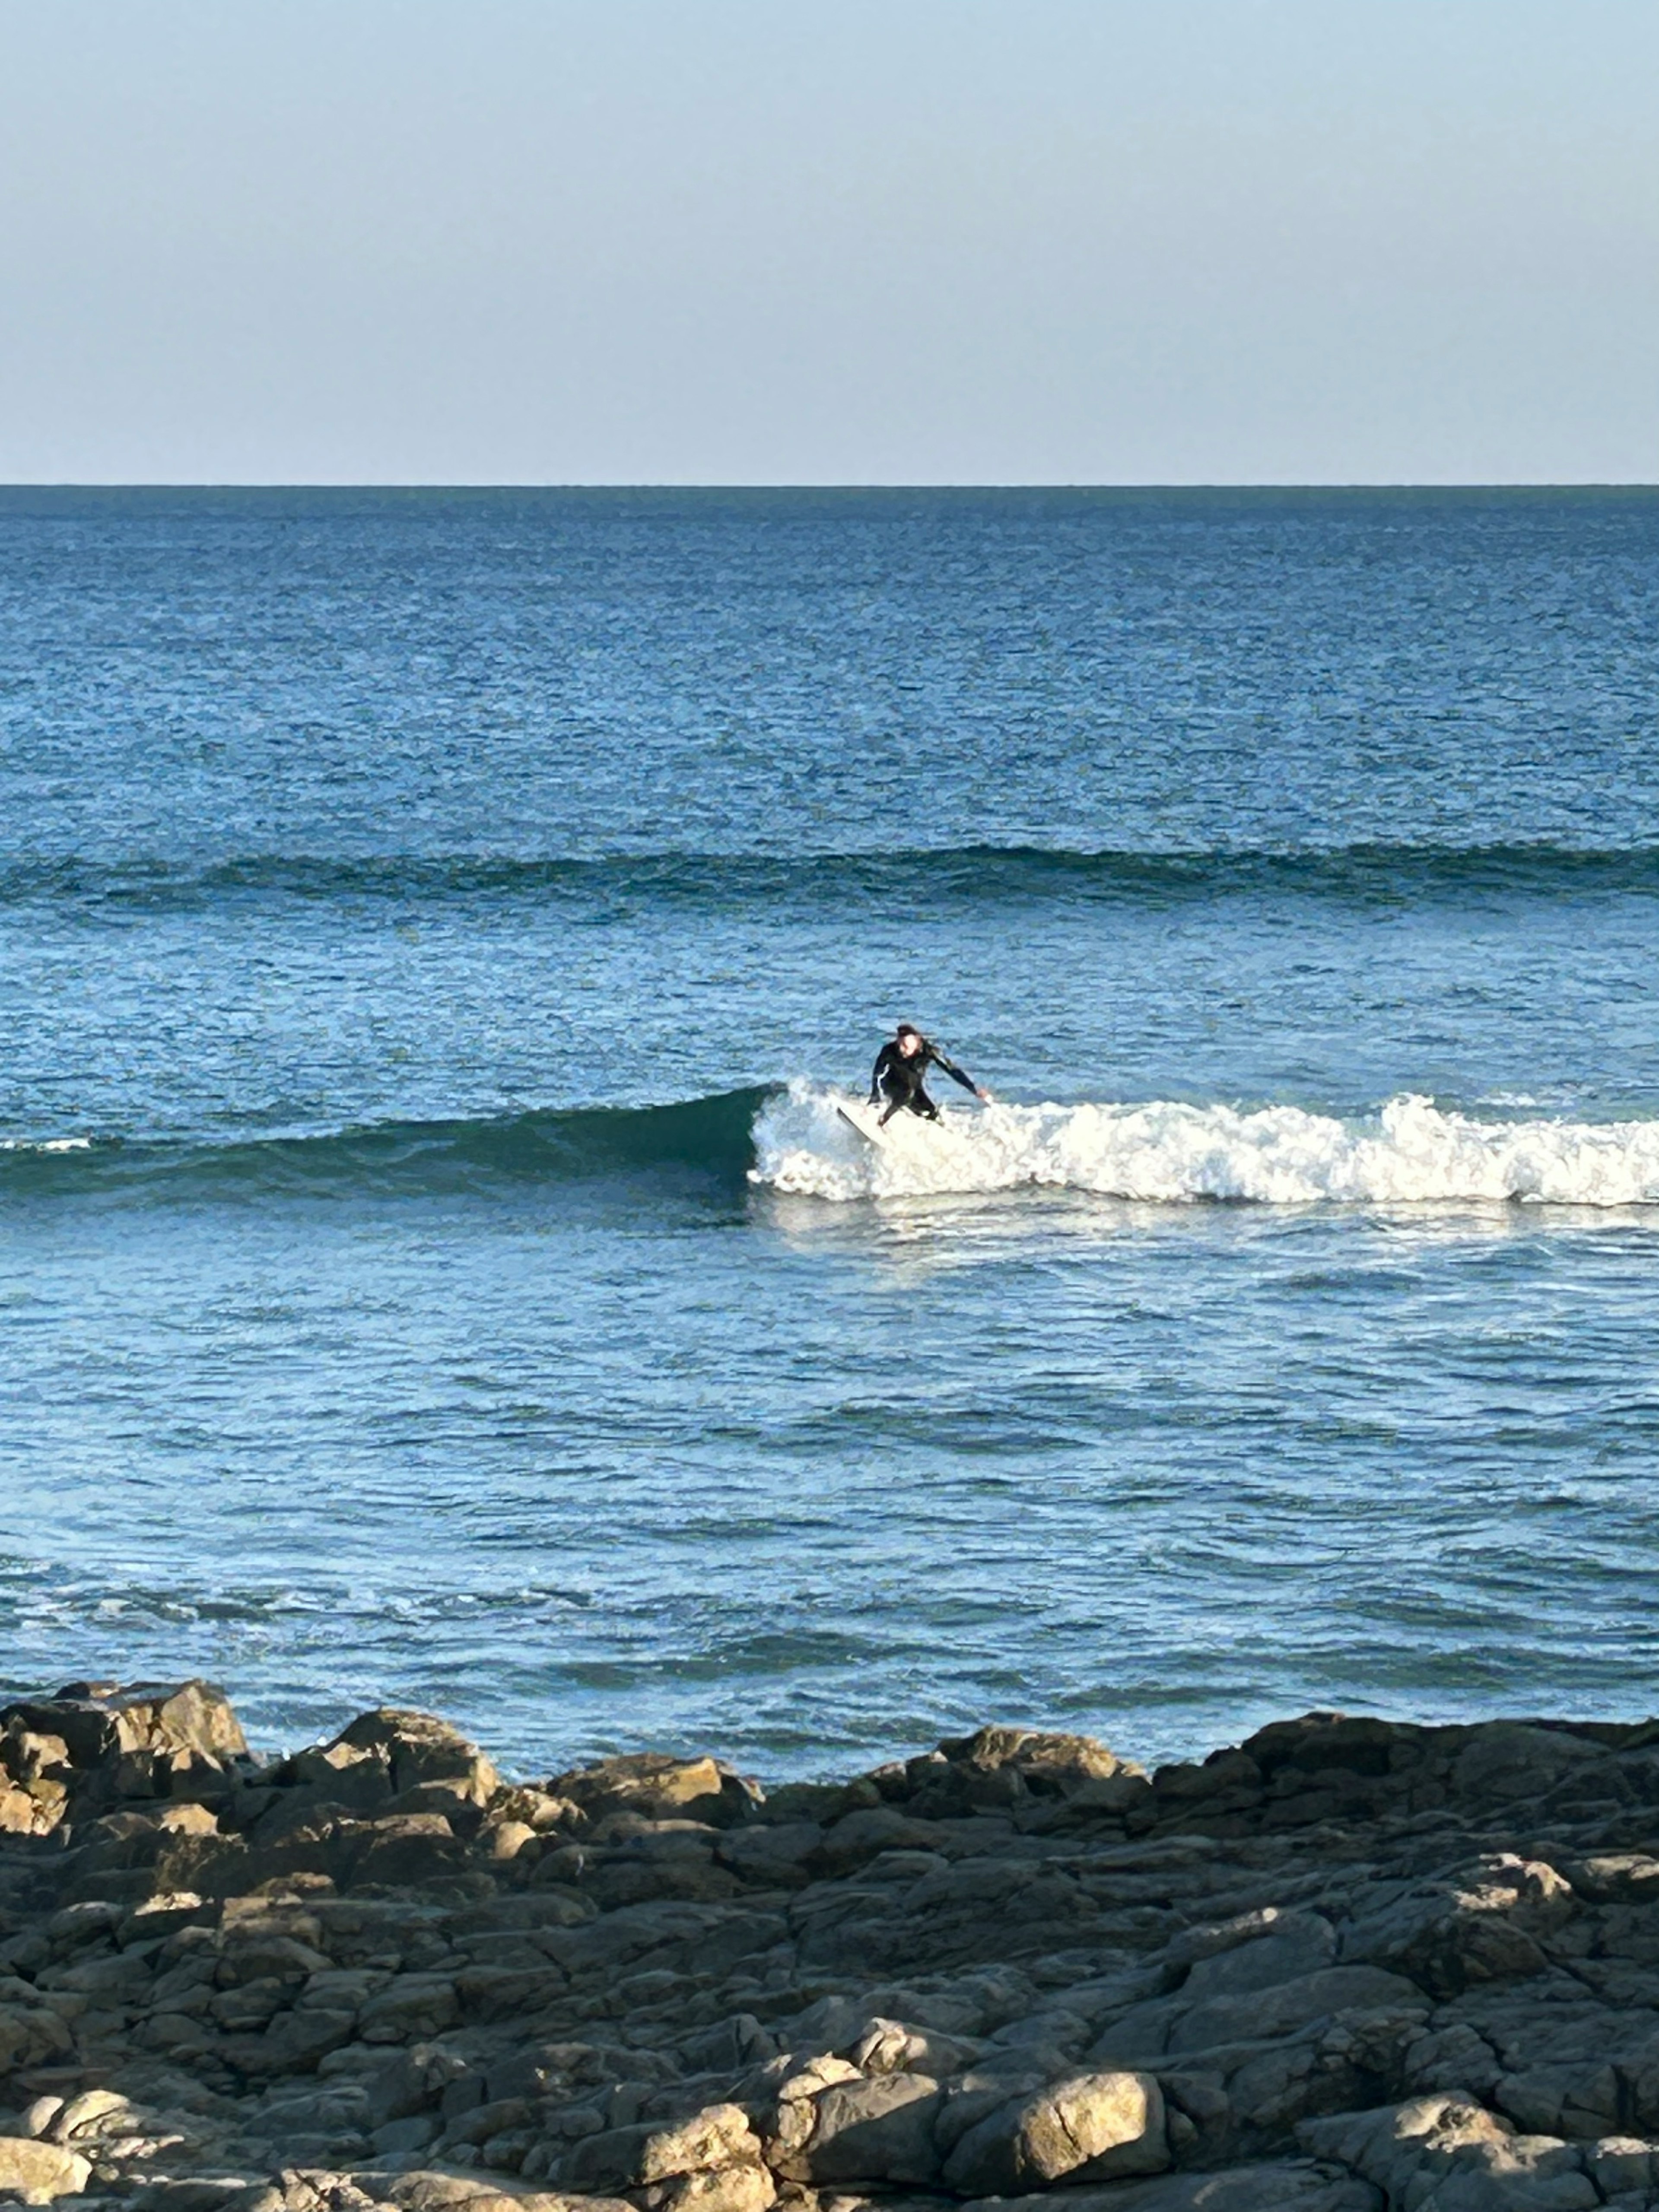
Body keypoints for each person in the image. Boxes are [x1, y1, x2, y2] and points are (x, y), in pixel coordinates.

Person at [869, 1023, 991, 1125]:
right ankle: (882, 1122)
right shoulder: (889, 1050)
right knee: (907, 1094)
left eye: (906, 1047)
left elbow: (952, 1070)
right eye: (900, 1045)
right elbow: (878, 1073)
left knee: (933, 1115)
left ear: (916, 1042)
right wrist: (875, 1095)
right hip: (891, 1084)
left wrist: (973, 1089)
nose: (902, 1050)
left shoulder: (929, 1051)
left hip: (915, 1089)